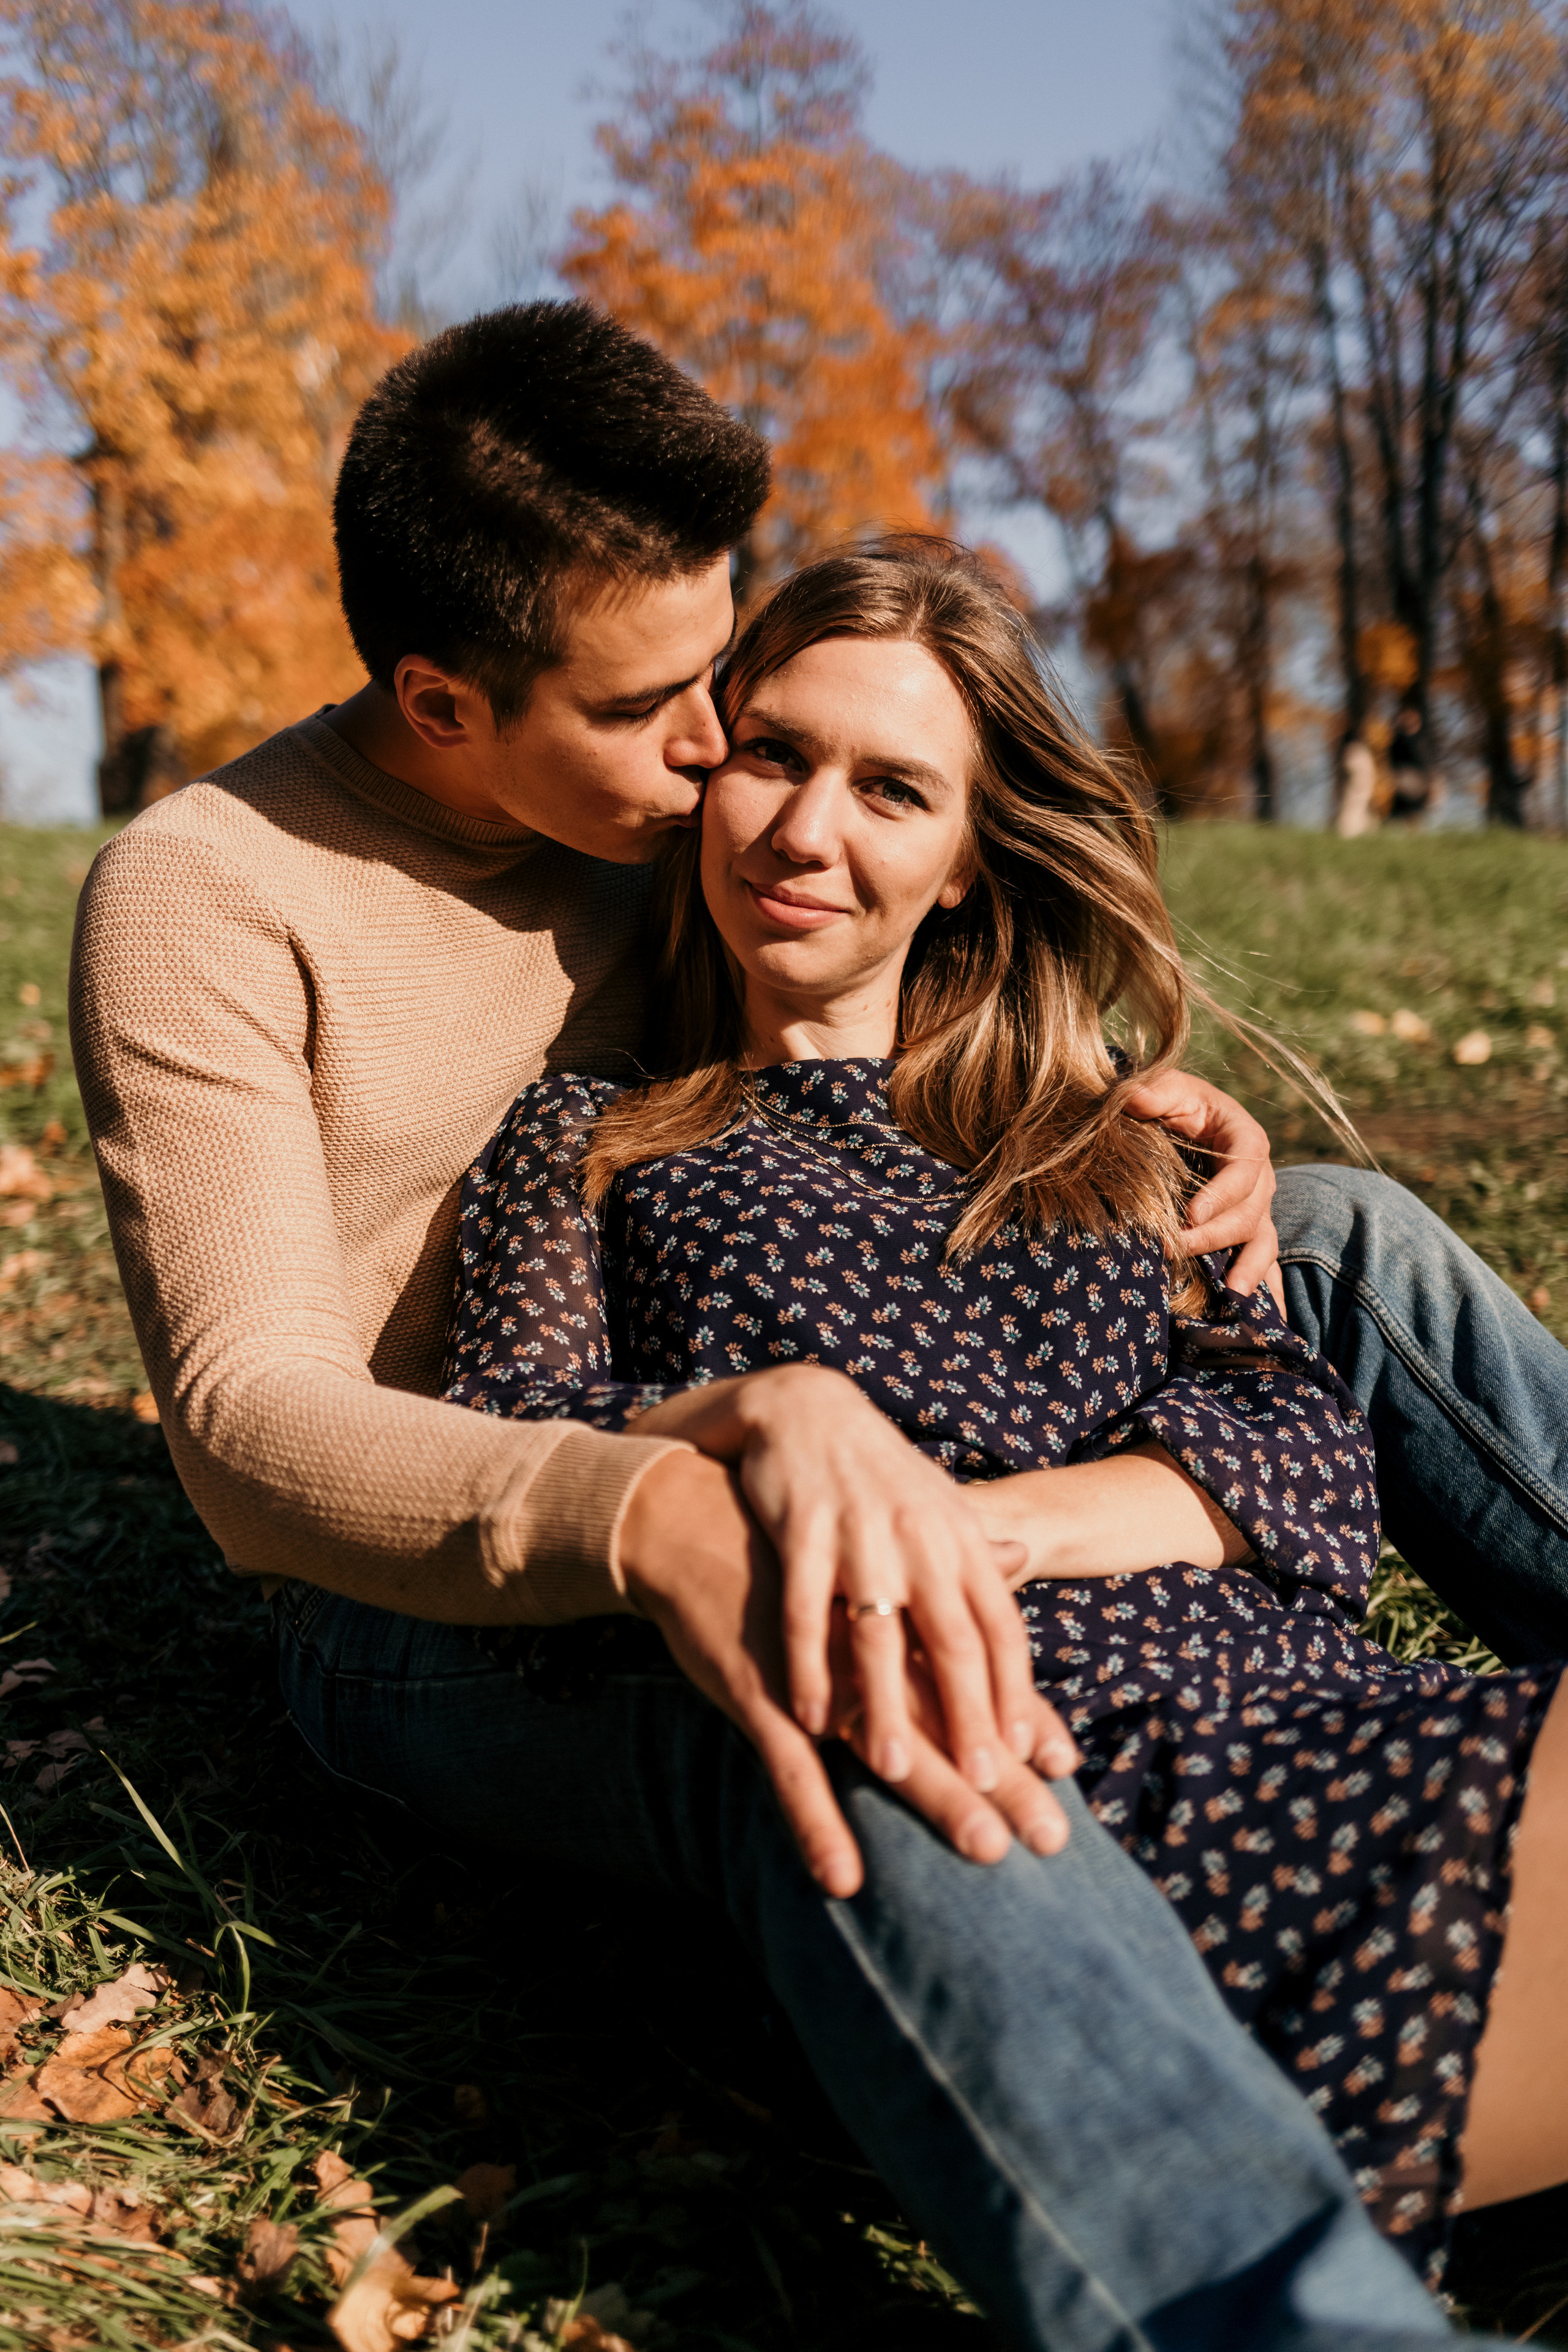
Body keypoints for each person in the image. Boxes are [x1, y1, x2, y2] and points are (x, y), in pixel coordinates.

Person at [68, 301, 1567, 2348]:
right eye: (687, 717)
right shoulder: (215, 892)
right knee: (827, 1641)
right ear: (441, 703)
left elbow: (897, 909)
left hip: (845, 1380)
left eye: (730, 685)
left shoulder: (656, 820)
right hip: (422, 1559)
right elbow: (248, 1426)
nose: (724, 765)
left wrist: (1128, 1097)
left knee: (1352, 1237)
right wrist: (656, 1502)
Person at [430, 541, 1566, 2294]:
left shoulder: (1094, 1139)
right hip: (1055, 1803)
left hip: (1327, 1711)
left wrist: (976, 1523)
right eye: (774, 753)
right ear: (705, 764)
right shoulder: (596, 1140)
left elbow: (1301, 1457)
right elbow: (524, 1448)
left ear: (967, 863)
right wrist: (772, 1428)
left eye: (893, 790)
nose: (808, 831)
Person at [1335, 724, 1379, 838]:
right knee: (1359, 810)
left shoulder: (1353, 752)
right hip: (1363, 787)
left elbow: (1351, 768)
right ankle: (1364, 831)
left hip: (1357, 787)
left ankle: (1349, 833)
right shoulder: (1364, 752)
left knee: (1352, 810)